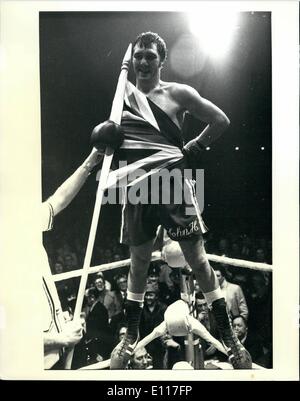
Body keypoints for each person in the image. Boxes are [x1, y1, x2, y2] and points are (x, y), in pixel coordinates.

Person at [95, 32, 251, 369]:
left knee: (198, 260)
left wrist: (194, 145)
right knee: (137, 263)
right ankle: (132, 335)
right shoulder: (122, 97)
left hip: (172, 184)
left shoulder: (178, 93)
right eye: (139, 55)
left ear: (161, 60)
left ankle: (229, 337)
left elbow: (220, 120)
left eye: (150, 56)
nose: (144, 62)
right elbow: (117, 140)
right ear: (132, 59)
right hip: (137, 186)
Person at [42, 148, 103, 369]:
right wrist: (61, 338)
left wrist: (89, 163)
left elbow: (58, 200)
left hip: (59, 354)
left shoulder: (19, 221)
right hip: (36, 365)